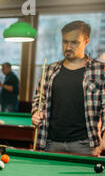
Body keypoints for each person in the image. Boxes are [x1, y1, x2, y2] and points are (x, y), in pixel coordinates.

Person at [32, 20, 105, 156]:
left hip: (85, 145)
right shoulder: (50, 70)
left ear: (86, 41)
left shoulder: (100, 70)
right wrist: (36, 112)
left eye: (74, 42)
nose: (68, 46)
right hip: (50, 143)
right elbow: (39, 98)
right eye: (65, 41)